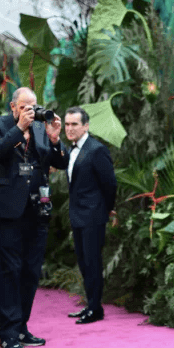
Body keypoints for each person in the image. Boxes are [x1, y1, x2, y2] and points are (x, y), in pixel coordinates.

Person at [0, 87, 68, 348]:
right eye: (24, 107)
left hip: (37, 209)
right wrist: (19, 128)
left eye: (34, 106)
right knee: (9, 270)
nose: (31, 111)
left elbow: (59, 163)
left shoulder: (43, 128)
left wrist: (55, 139)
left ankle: (21, 327)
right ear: (13, 106)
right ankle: (7, 334)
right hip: (9, 210)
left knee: (31, 271)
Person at [63, 107, 117, 324]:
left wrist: (107, 208)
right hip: (77, 215)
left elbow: (110, 183)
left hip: (93, 215)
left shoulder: (97, 150)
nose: (70, 128)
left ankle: (95, 309)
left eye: (74, 124)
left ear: (86, 126)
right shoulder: (70, 150)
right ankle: (91, 305)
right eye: (67, 124)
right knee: (84, 263)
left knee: (92, 263)